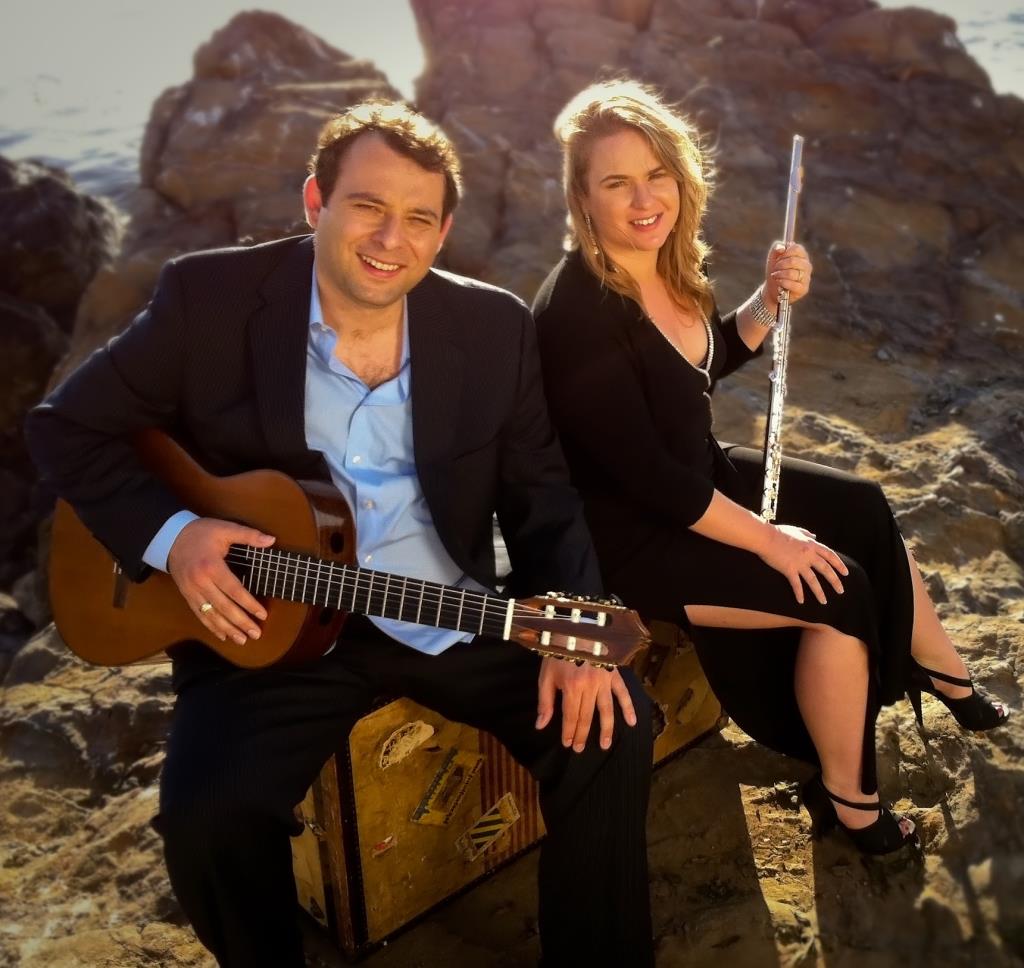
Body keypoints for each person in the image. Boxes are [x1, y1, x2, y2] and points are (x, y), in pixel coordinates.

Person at [26, 100, 655, 967]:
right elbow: (66, 428)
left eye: (419, 219)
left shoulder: (493, 326)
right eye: (368, 206)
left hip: (444, 609)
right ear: (316, 201)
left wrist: (572, 625)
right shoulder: (208, 300)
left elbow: (542, 493)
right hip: (268, 627)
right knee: (207, 821)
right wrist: (176, 536)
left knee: (614, 728)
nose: (391, 238)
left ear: (442, 233)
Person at [532, 80, 1008, 857]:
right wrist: (770, 540)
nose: (645, 199)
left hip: (694, 478)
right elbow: (652, 480)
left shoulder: (664, 263)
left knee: (862, 503)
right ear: (582, 196)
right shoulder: (576, 312)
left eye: (657, 174)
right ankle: (849, 801)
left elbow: (702, 363)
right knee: (838, 590)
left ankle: (943, 674)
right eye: (616, 183)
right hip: (635, 535)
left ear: (681, 176)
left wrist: (767, 301)